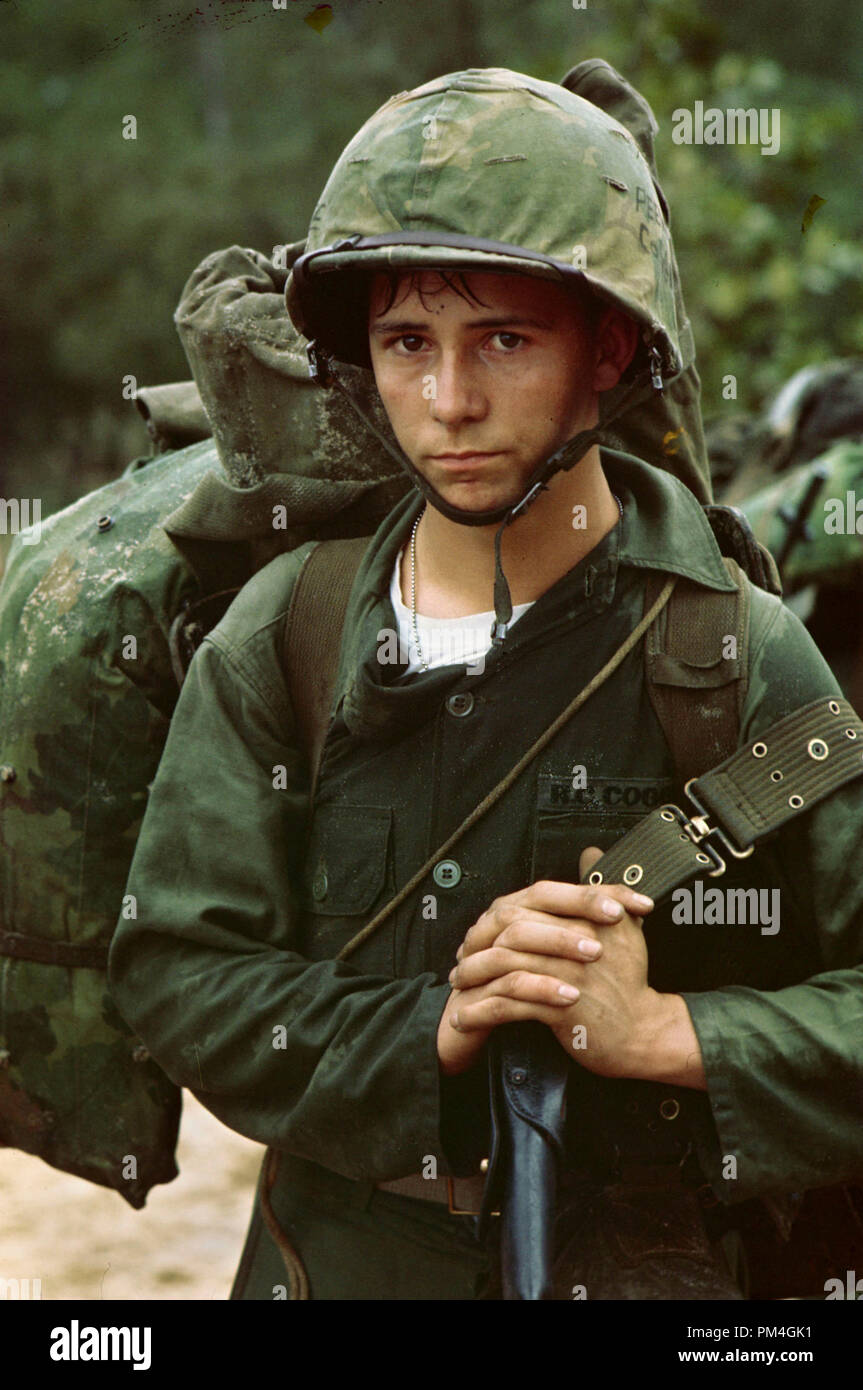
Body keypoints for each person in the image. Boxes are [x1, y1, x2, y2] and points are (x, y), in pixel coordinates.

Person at [108, 66, 863, 1301]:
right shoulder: (287, 632)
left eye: (503, 340)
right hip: (332, 1264)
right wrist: (428, 1035)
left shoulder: (732, 649)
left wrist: (670, 1036)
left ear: (607, 346)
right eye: (407, 343)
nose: (447, 403)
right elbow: (178, 969)